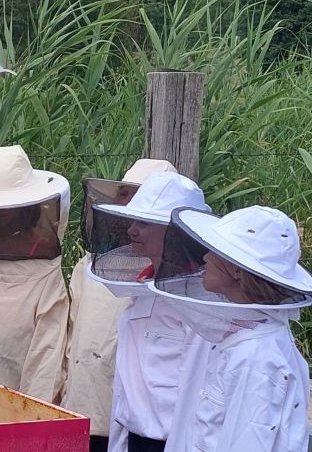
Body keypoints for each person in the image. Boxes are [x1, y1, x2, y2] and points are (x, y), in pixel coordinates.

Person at [150, 206, 312, 452]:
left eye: (216, 251)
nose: (205, 258)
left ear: (238, 270)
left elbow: (248, 443)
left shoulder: (256, 358)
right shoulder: (247, 340)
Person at [86, 172, 213, 452]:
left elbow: (198, 390)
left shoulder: (201, 303)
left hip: (172, 441)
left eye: (144, 222)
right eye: (133, 220)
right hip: (136, 436)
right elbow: (128, 383)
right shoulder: (145, 284)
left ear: (176, 232)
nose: (132, 230)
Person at [62, 159, 177, 452]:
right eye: (125, 194)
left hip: (136, 422)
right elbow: (71, 334)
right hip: (79, 409)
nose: (129, 205)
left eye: (138, 196)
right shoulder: (89, 266)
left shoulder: (174, 284)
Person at [0, 145, 69, 403]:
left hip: (21, 402)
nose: (2, 213)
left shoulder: (45, 271)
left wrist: (31, 413)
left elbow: (47, 353)